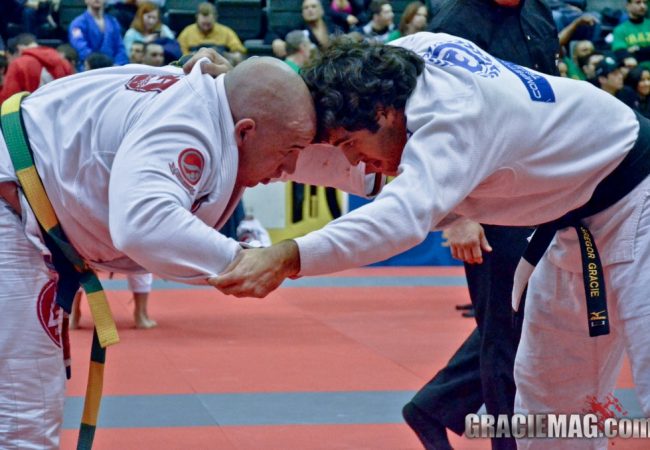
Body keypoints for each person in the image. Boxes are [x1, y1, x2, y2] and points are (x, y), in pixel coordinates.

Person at [211, 33, 650, 450]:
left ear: (385, 112)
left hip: (639, 193)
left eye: (351, 143)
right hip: (575, 221)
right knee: (549, 396)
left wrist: (288, 256)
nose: (352, 159)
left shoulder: (454, 117)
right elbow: (331, 132)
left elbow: (401, 217)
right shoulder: (404, 61)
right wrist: (234, 92)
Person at [0, 48, 352, 449]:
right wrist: (241, 260)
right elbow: (144, 222)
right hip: (12, 207)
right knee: (24, 420)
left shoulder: (213, 106)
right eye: (288, 155)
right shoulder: (190, 126)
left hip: (23, 207)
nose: (287, 172)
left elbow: (281, 136)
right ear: (245, 132)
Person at [0, 33, 73, 103]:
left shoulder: (18, 64)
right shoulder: (64, 62)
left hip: (32, 111)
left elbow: (8, 99)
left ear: (19, 48)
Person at [177, 2, 247, 65]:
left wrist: (224, 55)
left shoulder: (226, 32)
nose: (206, 28)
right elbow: (179, 56)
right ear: (197, 18)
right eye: (203, 24)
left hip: (220, 65)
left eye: (208, 24)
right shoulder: (187, 32)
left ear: (215, 18)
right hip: (193, 66)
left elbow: (239, 53)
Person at [68, 0, 129, 71]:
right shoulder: (77, 24)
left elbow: (120, 48)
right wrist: (98, 64)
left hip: (113, 70)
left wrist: (117, 65)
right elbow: (81, 48)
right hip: (88, 70)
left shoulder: (113, 22)